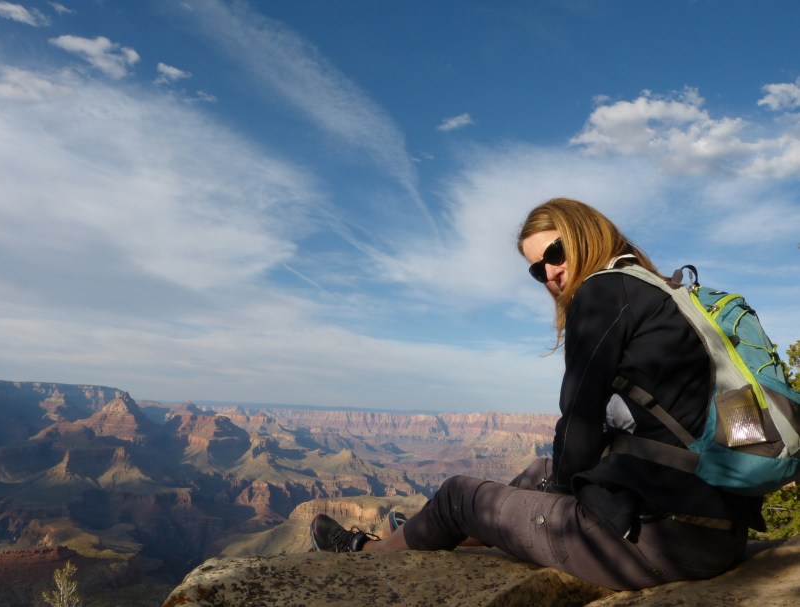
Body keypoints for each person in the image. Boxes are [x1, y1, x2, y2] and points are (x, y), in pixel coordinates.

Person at [310, 197, 764, 590]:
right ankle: (437, 532)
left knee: (456, 496)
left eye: (555, 252)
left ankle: (365, 552)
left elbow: (580, 420)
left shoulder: (602, 292)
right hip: (716, 530)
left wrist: (560, 497)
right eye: (536, 268)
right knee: (537, 473)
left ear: (586, 233)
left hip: (662, 542)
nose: (549, 271)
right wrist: (554, 485)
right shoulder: (657, 290)